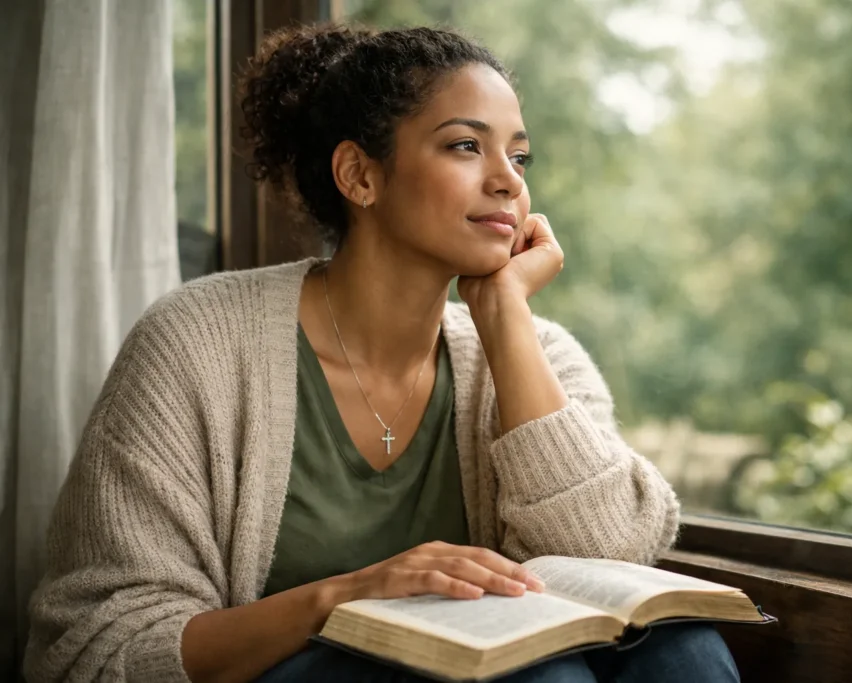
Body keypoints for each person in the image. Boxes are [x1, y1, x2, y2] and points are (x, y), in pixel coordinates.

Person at [23, 23, 740, 683]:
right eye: (467, 145)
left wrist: (504, 315)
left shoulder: (534, 351)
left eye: (519, 156)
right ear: (359, 176)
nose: (509, 181)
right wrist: (346, 596)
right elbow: (96, 645)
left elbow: (612, 552)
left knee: (687, 653)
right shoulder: (197, 343)